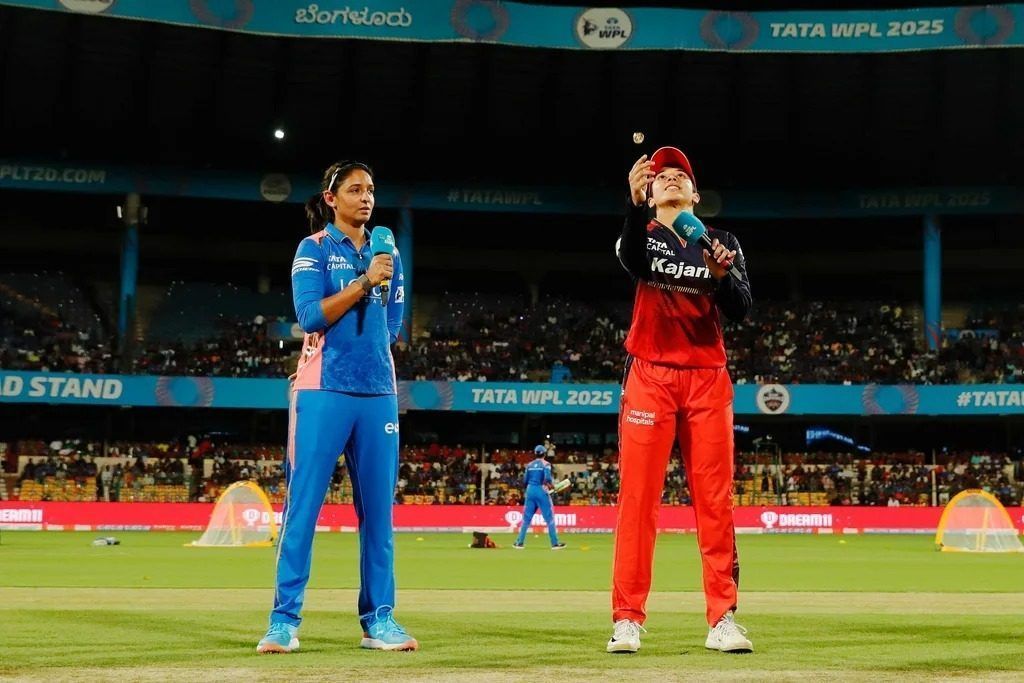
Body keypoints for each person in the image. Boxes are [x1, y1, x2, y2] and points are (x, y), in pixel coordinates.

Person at [257, 160, 416, 654]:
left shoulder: (388, 253)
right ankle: (283, 621)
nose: (366, 197)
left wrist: (377, 284)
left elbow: (393, 327)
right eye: (354, 189)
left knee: (379, 516)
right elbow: (308, 316)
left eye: (371, 189)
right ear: (331, 198)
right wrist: (364, 282)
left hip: (378, 395)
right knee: (303, 510)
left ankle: (380, 620)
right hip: (321, 391)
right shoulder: (314, 249)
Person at [607, 147, 753, 654]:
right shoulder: (641, 235)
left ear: (696, 193)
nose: (671, 179)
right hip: (650, 374)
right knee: (639, 500)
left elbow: (741, 310)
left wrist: (721, 276)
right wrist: (632, 204)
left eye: (681, 176)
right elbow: (631, 261)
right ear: (651, 193)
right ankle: (627, 619)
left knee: (716, 503)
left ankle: (723, 619)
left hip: (708, 379)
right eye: (661, 176)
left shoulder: (722, 241)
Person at [512, 445, 566, 550]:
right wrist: (551, 486)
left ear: (535, 453)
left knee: (526, 519)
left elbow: (525, 480)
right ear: (544, 454)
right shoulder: (546, 464)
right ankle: (554, 543)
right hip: (541, 491)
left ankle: (519, 543)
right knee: (549, 519)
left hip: (530, 490)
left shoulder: (529, 465)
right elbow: (547, 478)